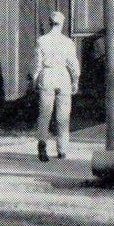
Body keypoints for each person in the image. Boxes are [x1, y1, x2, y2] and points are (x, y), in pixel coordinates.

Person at [33, 11, 80, 162]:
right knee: (63, 116)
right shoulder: (68, 42)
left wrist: (35, 80)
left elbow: (37, 65)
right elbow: (73, 65)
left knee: (44, 113)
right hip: (63, 76)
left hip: (47, 75)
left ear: (49, 23)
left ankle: (42, 143)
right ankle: (62, 149)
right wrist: (75, 80)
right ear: (62, 23)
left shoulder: (42, 40)